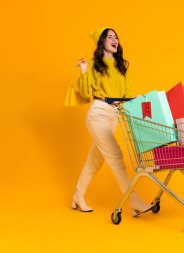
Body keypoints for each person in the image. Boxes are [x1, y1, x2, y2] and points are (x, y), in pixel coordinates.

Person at [70, 27, 152, 216]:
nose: (114, 39)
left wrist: (141, 99)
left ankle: (78, 195)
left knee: (95, 161)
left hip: (113, 115)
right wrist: (83, 71)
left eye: (116, 37)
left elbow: (128, 93)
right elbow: (85, 92)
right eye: (109, 37)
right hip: (98, 114)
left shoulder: (121, 66)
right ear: (102, 43)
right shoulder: (93, 65)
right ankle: (134, 201)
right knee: (116, 156)